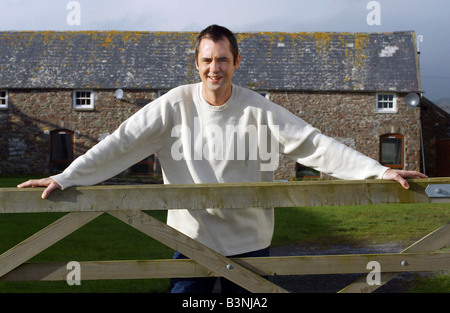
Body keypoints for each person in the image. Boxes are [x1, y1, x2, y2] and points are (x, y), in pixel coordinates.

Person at [18, 25, 427, 293]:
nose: (216, 68)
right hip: (187, 240)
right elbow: (122, 142)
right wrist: (67, 177)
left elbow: (314, 144)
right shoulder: (172, 105)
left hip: (250, 243)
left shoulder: (260, 109)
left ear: (236, 62)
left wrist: (379, 169)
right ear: (197, 64)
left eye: (223, 59)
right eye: (208, 59)